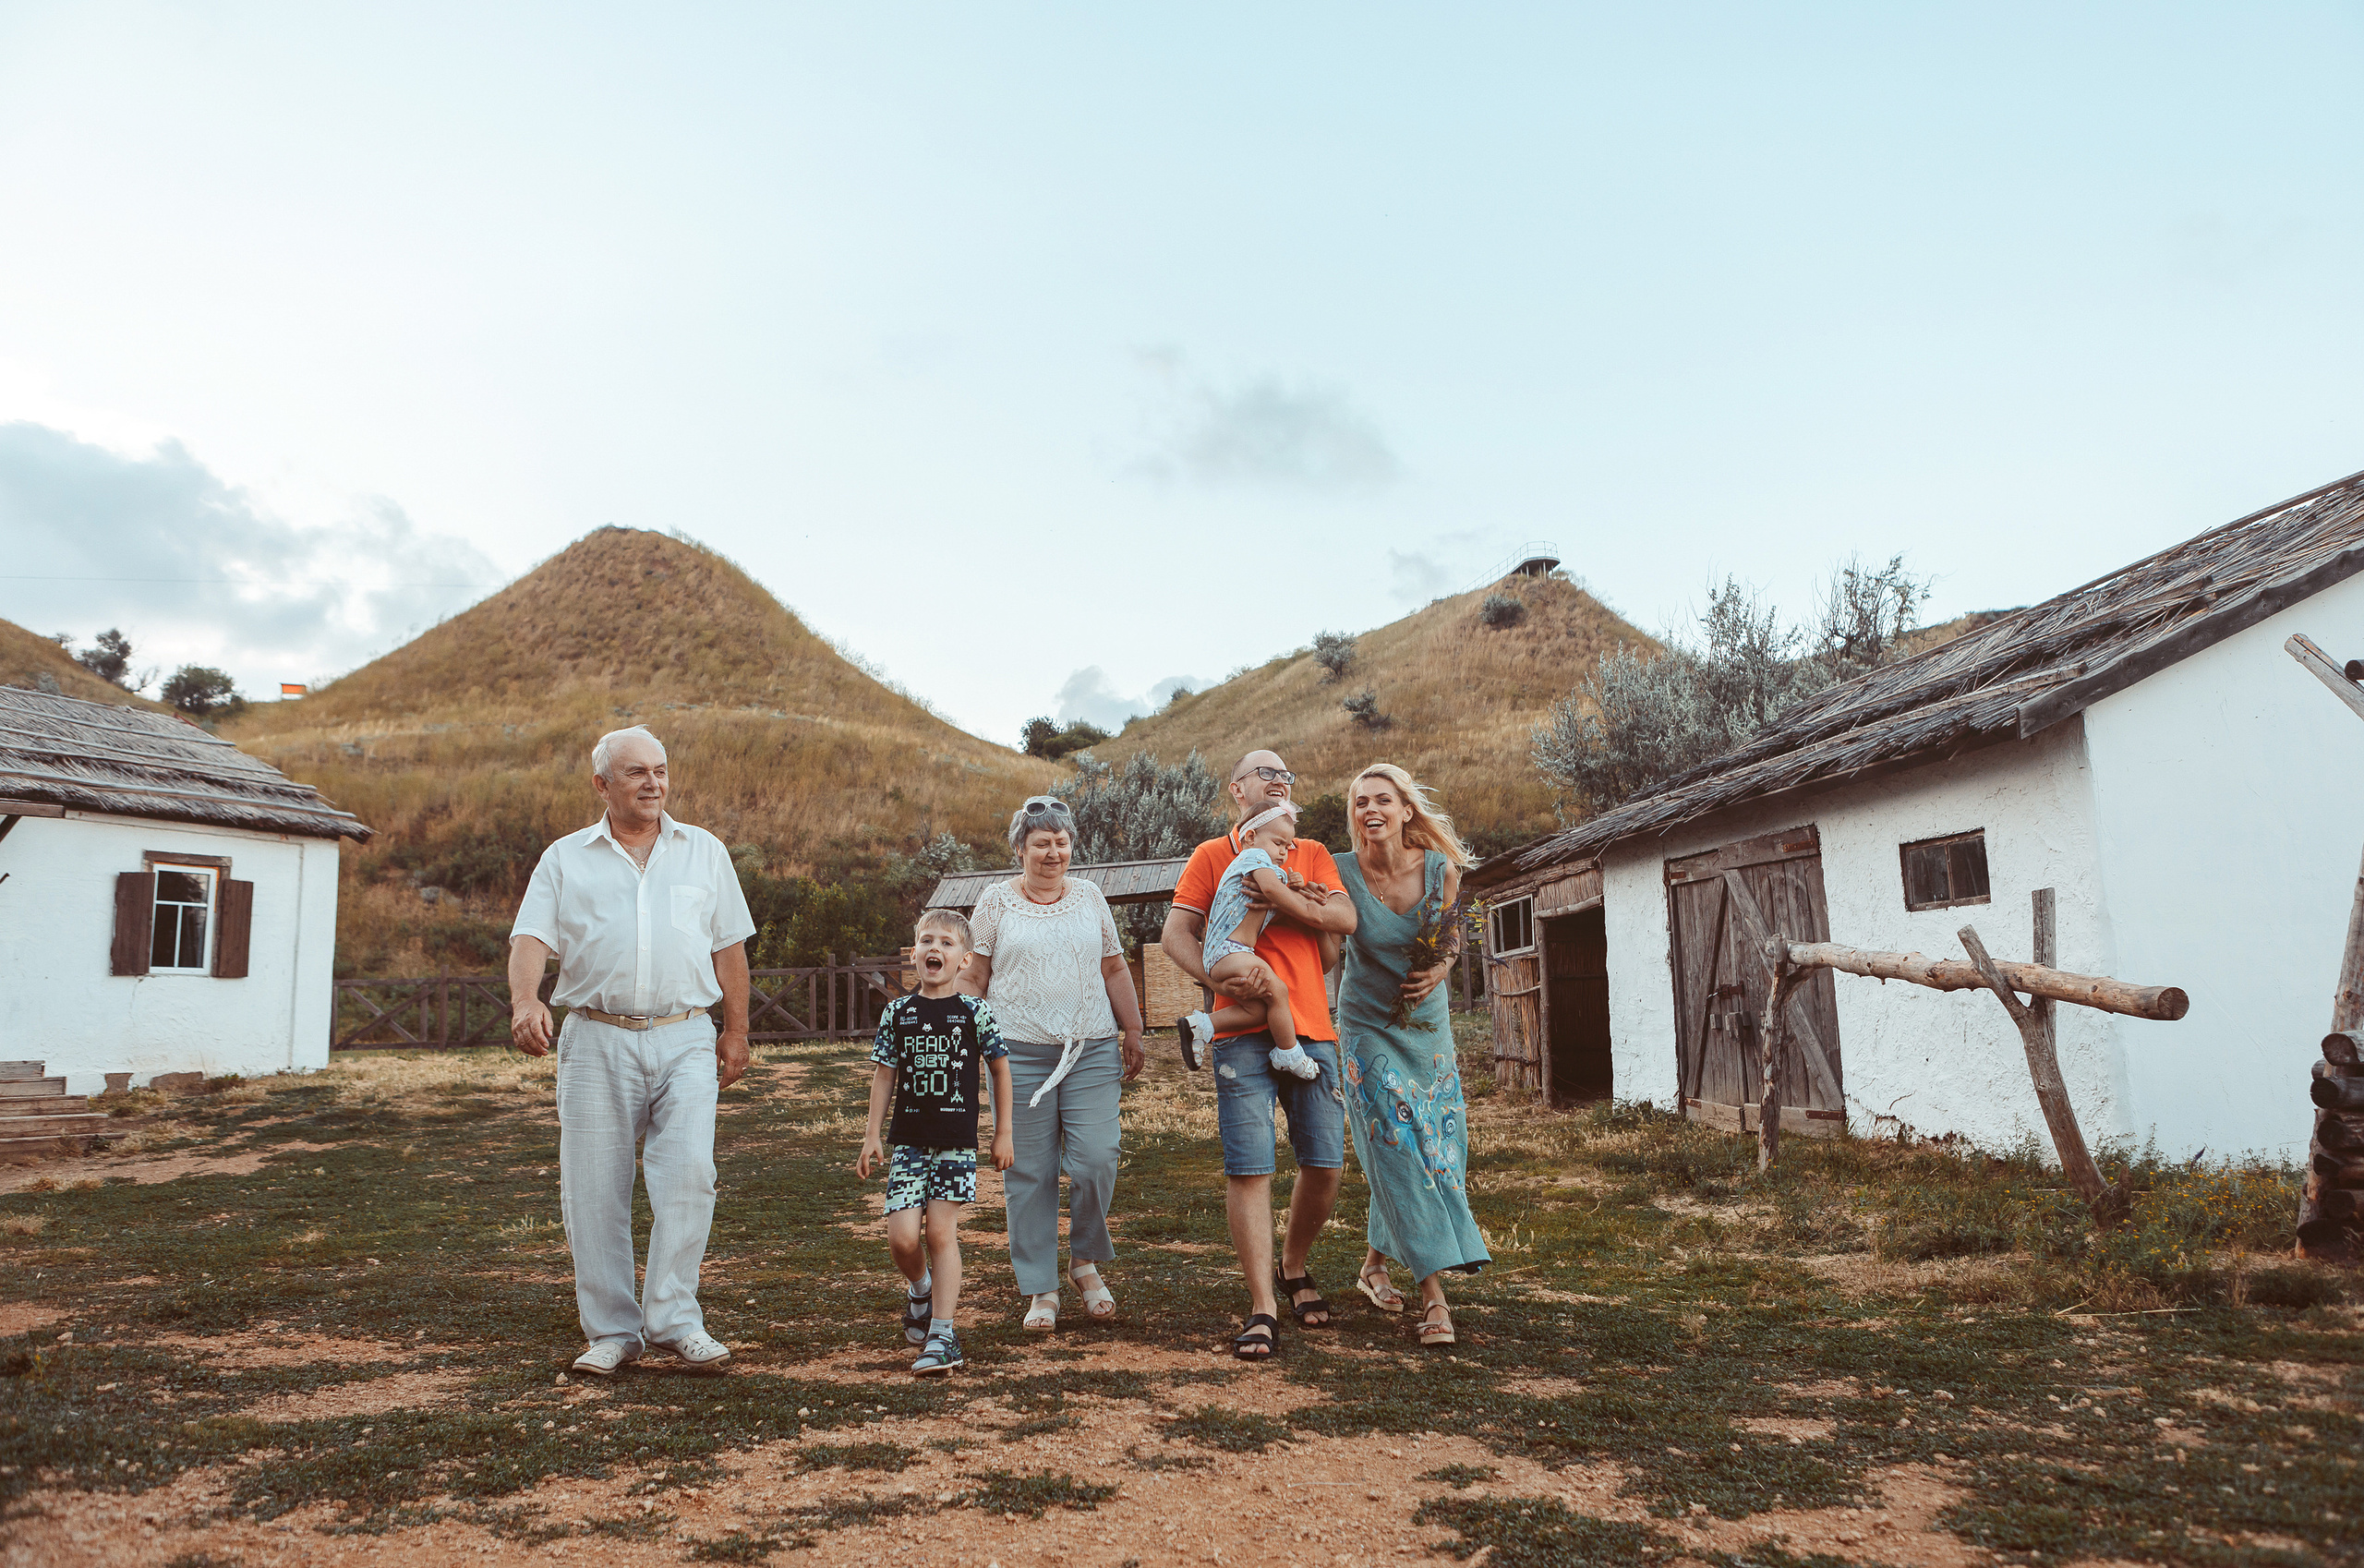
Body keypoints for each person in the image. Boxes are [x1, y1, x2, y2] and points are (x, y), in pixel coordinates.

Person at [508, 726, 756, 1377]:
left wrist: (737, 1031)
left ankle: (675, 1319)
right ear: (602, 784)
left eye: (661, 770)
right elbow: (530, 937)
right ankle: (613, 1331)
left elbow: (729, 948)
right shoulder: (565, 858)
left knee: (689, 1177)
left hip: (686, 1037)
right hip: (594, 1037)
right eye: (636, 772)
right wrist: (525, 1000)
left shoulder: (704, 852)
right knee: (593, 1188)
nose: (653, 782)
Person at [1161, 751, 1358, 1359]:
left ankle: (1293, 1266)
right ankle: (1263, 1307)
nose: (1278, 781)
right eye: (1265, 773)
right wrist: (1223, 982)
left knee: (1325, 1163)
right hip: (1241, 1036)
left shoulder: (1311, 853)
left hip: (1311, 1027)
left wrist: (1297, 899)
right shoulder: (1212, 854)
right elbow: (1176, 934)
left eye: (1286, 776)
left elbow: (1340, 931)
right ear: (1237, 789)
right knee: (1250, 1165)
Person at [964, 795, 1146, 1331]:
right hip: (1016, 1053)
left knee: (1097, 1159)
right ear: (1021, 848)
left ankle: (1085, 1261)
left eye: (1061, 842)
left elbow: (1113, 968)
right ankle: (1041, 1287)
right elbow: (973, 976)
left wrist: (1131, 1029)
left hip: (1090, 1049)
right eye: (1041, 842)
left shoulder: (1090, 897)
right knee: (1029, 1171)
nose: (1053, 852)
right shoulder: (996, 902)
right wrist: (965, 1036)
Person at [1334, 763, 1490, 1347]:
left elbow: (1451, 935)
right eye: (1359, 802)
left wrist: (1442, 969)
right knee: (1397, 1147)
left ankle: (1375, 1263)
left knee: (1438, 1145)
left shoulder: (1438, 869)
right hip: (1367, 1028)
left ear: (1405, 810)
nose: (1369, 810)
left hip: (1427, 1029)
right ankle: (1435, 1298)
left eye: (1381, 800)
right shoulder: (1340, 872)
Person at [857, 909, 1014, 1375]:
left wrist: (1002, 1132)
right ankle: (920, 1289)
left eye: (947, 943)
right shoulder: (898, 1012)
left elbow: (1000, 1071)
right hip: (908, 1144)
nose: (935, 949)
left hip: (955, 1144)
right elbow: (885, 1075)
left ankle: (944, 1335)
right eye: (927, 941)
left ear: (964, 960)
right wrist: (871, 1136)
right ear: (913, 954)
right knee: (904, 1239)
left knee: (941, 1232)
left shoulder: (974, 1012)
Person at [1177, 802, 1339, 1080]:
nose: (1283, 852)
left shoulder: (1262, 866)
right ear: (1250, 836)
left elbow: (1274, 894)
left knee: (1257, 1009)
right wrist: (1301, 900)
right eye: (1278, 843)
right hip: (1230, 950)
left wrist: (1295, 884)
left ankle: (1199, 1027)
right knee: (1278, 989)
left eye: (1288, 846)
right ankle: (1289, 1054)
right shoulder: (1253, 858)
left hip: (1230, 951)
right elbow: (1271, 890)